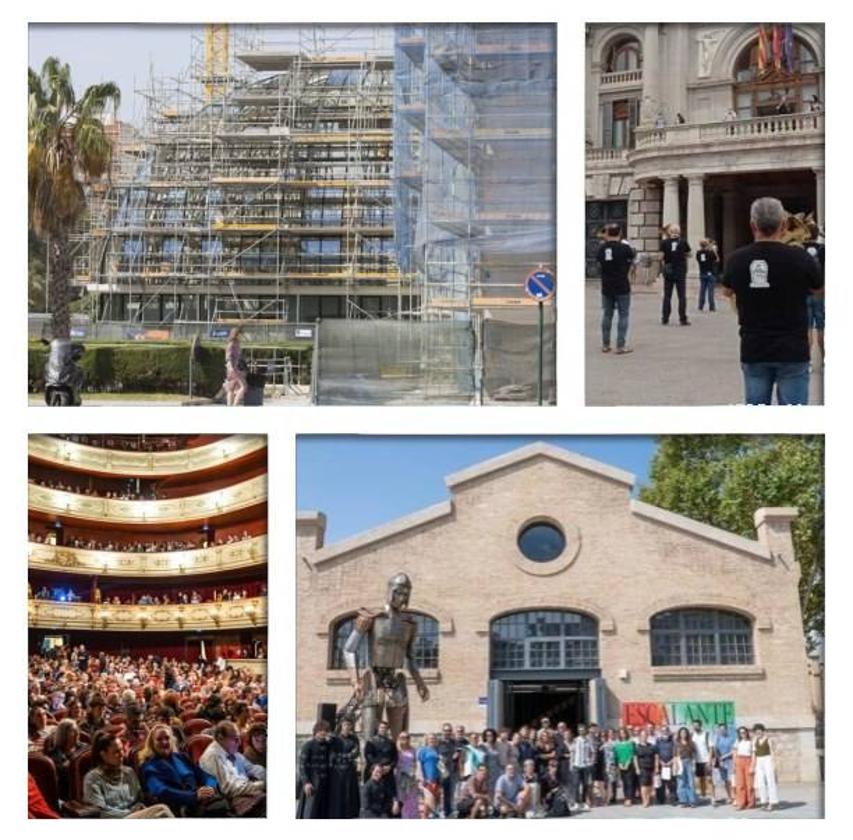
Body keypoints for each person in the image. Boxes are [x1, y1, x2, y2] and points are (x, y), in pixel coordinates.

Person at [721, 196, 822, 404]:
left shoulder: (736, 259)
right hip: (793, 349)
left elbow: (727, 292)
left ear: (752, 225)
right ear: (783, 225)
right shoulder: (801, 257)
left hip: (754, 347)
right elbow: (819, 290)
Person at [138, 724, 223, 818]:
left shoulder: (181, 757)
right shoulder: (149, 766)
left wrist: (209, 788)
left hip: (201, 800)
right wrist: (193, 796)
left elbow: (206, 776)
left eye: (167, 738)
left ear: (172, 740)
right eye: (159, 739)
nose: (164, 742)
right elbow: (161, 791)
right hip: (177, 807)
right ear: (152, 743)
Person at [83, 731, 174, 818]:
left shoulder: (129, 772)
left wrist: (140, 806)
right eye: (116, 752)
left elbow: (139, 798)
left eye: (122, 750)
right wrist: (130, 812)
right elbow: (101, 811)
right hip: (116, 819)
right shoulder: (92, 778)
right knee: (162, 810)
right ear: (103, 755)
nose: (122, 754)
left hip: (136, 815)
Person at [200, 720, 265, 817]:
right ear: (221, 738)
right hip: (233, 801)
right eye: (235, 739)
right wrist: (261, 785)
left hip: (247, 791)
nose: (239, 743)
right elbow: (229, 789)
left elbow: (252, 768)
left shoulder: (231, 750)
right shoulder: (213, 756)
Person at [596, 224, 635, 354]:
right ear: (620, 233)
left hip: (607, 285)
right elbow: (631, 261)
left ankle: (605, 344)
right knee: (623, 315)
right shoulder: (625, 248)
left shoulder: (602, 248)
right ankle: (620, 345)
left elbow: (599, 264)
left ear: (608, 233)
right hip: (622, 284)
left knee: (607, 314)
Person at [44, 718, 84, 801]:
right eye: (73, 731)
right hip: (67, 793)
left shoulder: (84, 748)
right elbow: (64, 773)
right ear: (64, 734)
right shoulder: (53, 754)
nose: (77, 733)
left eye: (77, 730)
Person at [660, 224, 692, 325]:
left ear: (669, 232)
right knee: (681, 296)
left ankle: (665, 318)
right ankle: (683, 318)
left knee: (667, 296)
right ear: (679, 232)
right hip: (680, 271)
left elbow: (661, 256)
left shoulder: (664, 242)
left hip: (669, 271)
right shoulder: (683, 242)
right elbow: (689, 254)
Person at [803, 222, 825, 365]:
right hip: (819, 290)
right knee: (821, 326)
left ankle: (808, 359)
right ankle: (824, 358)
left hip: (805, 291)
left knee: (808, 327)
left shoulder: (801, 249)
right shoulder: (823, 250)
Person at [330, 718, 360, 818]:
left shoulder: (354, 739)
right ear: (341, 726)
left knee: (349, 793)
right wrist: (346, 756)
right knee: (338, 794)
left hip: (350, 770)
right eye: (345, 725)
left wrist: (343, 756)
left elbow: (356, 752)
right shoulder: (335, 739)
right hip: (338, 770)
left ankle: (349, 815)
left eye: (349, 725)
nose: (347, 727)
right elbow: (333, 753)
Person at [752, 724, 779, 811]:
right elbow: (754, 754)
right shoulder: (754, 740)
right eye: (756, 731)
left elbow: (772, 752)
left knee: (770, 780)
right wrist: (752, 765)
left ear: (763, 731)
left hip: (767, 759)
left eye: (759, 731)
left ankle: (772, 802)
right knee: (760, 782)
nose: (758, 732)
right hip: (759, 761)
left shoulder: (768, 739)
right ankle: (763, 801)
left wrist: (774, 764)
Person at [394, 731, 419, 818]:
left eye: (407, 737)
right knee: (402, 798)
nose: (405, 739)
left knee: (412, 799)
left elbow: (416, 763)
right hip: (401, 777)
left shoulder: (413, 750)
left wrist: (415, 773)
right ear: (399, 739)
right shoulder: (397, 750)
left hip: (411, 777)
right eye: (402, 737)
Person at [416, 732, 442, 818]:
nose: (432, 740)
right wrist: (421, 777)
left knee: (430, 805)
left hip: (437, 780)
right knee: (431, 803)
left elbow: (440, 766)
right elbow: (419, 764)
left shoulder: (437, 751)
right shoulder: (423, 750)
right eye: (430, 738)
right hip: (427, 780)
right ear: (427, 740)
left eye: (434, 738)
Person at [570, 723, 595, 809]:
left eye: (582, 730)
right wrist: (571, 764)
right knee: (576, 784)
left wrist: (591, 762)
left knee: (585, 784)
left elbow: (593, 752)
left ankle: (584, 802)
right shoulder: (575, 740)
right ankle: (577, 802)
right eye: (579, 730)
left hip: (586, 765)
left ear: (585, 730)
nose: (581, 731)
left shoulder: (589, 740)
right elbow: (572, 752)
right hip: (577, 765)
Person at [711, 722, 735, 804]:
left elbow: (733, 751)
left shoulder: (731, 738)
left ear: (726, 729)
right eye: (720, 729)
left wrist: (724, 757)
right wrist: (719, 759)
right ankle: (725, 797)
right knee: (722, 780)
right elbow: (715, 749)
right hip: (720, 762)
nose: (722, 731)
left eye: (723, 729)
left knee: (730, 780)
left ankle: (732, 797)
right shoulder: (717, 738)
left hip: (729, 761)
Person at [223, 327, 248, 406]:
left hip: (233, 368)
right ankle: (234, 405)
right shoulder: (232, 344)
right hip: (233, 368)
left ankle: (230, 406)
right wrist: (231, 368)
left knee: (231, 388)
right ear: (236, 335)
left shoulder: (236, 343)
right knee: (243, 386)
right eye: (240, 334)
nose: (241, 336)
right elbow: (228, 357)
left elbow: (237, 356)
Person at [734, 726, 756, 809]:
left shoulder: (751, 742)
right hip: (739, 761)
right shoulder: (737, 741)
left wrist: (752, 765)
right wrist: (735, 763)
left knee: (749, 783)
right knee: (740, 784)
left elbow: (753, 754)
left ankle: (751, 802)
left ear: (747, 732)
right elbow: (734, 752)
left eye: (744, 732)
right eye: (740, 732)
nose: (742, 734)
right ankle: (741, 803)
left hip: (748, 760)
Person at [654, 725, 677, 805]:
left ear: (668, 731)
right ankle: (660, 799)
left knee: (672, 783)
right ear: (661, 732)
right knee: (661, 783)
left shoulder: (673, 741)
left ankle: (673, 799)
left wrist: (671, 761)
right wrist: (660, 763)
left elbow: (675, 753)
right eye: (663, 730)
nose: (665, 732)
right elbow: (656, 754)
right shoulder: (658, 741)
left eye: (666, 730)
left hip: (670, 764)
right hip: (661, 765)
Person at [613, 727, 636, 806]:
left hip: (629, 765)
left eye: (624, 733)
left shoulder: (630, 743)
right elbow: (616, 755)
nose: (622, 734)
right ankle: (626, 797)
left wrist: (627, 763)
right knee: (624, 782)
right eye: (621, 733)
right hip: (621, 765)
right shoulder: (617, 744)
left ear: (626, 734)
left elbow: (632, 754)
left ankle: (629, 799)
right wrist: (619, 764)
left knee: (629, 782)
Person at [674, 727, 697, 807]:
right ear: (679, 734)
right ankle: (683, 801)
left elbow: (694, 754)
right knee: (681, 782)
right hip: (680, 763)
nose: (683, 734)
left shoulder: (691, 743)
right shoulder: (676, 743)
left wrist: (694, 765)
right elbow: (675, 755)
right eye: (681, 732)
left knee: (690, 782)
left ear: (687, 734)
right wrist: (676, 765)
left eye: (684, 732)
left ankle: (692, 801)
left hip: (689, 762)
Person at [634, 728, 657, 807]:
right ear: (640, 737)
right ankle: (644, 801)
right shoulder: (637, 747)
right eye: (642, 735)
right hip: (642, 768)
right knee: (643, 785)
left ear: (647, 736)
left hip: (651, 767)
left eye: (645, 735)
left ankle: (648, 798)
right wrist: (637, 768)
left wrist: (656, 767)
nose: (644, 737)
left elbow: (656, 756)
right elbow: (635, 758)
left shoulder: (651, 746)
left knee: (650, 784)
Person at [691, 719, 712, 801]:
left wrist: (709, 760)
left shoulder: (706, 734)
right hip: (697, 761)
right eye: (694, 725)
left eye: (697, 725)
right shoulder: (692, 735)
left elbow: (711, 748)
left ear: (700, 725)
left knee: (709, 779)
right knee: (700, 779)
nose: (695, 727)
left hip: (706, 760)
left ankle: (712, 798)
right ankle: (703, 795)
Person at [696, 239, 719, 312]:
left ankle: (700, 306)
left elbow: (699, 260)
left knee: (702, 290)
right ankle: (711, 307)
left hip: (702, 272)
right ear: (707, 245)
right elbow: (717, 260)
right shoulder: (711, 252)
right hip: (710, 273)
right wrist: (714, 251)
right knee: (710, 291)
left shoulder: (698, 253)